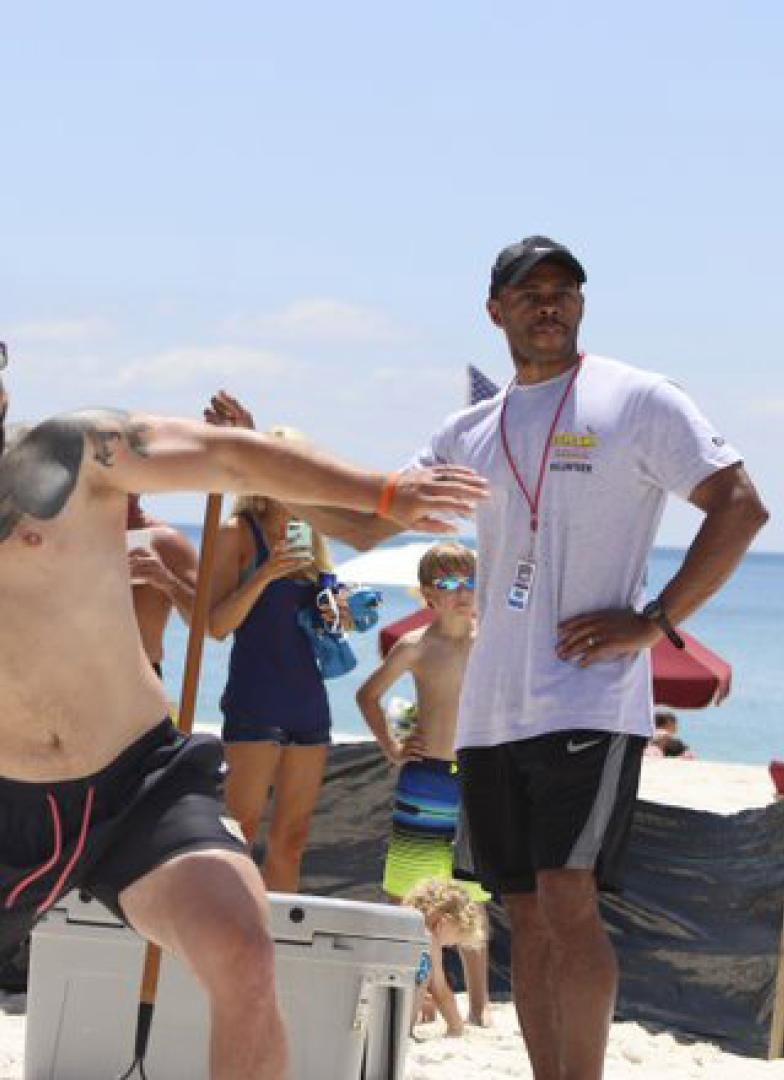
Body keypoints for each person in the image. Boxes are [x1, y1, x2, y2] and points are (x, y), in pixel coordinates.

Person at [0, 300, 487, 1079]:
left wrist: (383, 496)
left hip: (138, 787)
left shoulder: (71, 454)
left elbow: (227, 454)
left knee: (241, 948)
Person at [290, 236, 769, 1080]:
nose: (549, 304)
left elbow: (738, 506)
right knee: (524, 911)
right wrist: (269, 469)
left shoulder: (639, 400)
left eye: (564, 291)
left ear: (580, 305)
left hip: (590, 699)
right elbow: (372, 522)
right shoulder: (469, 430)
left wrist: (654, 621)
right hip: (490, 709)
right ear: (496, 310)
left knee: (569, 901)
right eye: (530, 292)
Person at [355, 541, 490, 1026]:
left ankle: (479, 1005)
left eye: (469, 582)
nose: (461, 593)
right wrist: (391, 747)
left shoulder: (491, 639)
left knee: (473, 891)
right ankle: (419, 992)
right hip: (426, 776)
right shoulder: (416, 646)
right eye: (449, 584)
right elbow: (367, 695)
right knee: (406, 892)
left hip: (477, 779)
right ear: (429, 594)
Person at [202, 426, 337, 893]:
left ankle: (276, 943)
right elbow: (215, 625)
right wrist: (265, 575)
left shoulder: (312, 537)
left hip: (307, 698)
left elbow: (317, 629)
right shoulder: (235, 532)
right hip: (256, 696)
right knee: (240, 830)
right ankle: (226, 929)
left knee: (294, 838)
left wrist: (338, 612)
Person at [400, 877, 488, 1038]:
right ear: (444, 923)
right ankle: (406, 1030)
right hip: (396, 1025)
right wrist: (456, 1027)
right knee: (427, 976)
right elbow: (440, 991)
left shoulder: (398, 923)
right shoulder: (429, 938)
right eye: (455, 939)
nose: (450, 946)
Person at [126, 493, 198, 679]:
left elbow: (206, 624)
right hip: (68, 680)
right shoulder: (70, 539)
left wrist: (167, 581)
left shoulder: (166, 541)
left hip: (138, 680)